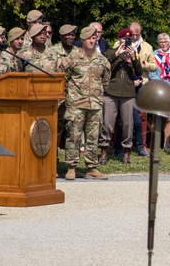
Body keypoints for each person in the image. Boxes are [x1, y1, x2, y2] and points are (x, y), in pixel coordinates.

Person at [61, 25, 111, 180]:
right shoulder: (73, 58)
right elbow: (63, 79)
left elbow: (105, 81)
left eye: (94, 38)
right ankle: (71, 167)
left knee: (93, 137)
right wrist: (71, 96)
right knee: (73, 136)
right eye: (89, 38)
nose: (91, 40)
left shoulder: (102, 60)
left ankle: (91, 167)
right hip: (76, 104)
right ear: (82, 39)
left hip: (95, 104)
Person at [100, 29, 143, 165]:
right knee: (107, 123)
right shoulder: (111, 52)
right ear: (119, 39)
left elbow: (139, 72)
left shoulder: (133, 53)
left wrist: (134, 57)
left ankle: (126, 153)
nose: (126, 41)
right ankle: (104, 151)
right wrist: (117, 53)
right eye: (124, 39)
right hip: (111, 92)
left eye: (129, 39)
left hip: (127, 93)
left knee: (127, 124)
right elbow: (103, 65)